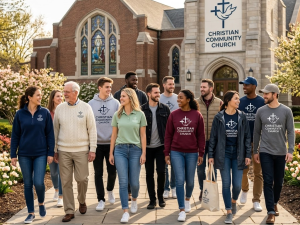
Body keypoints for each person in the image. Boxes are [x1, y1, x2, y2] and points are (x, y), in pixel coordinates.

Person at [53, 81, 97, 222]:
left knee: (82, 179)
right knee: (65, 182)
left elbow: (92, 129)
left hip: (82, 150)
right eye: (64, 91)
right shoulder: (60, 108)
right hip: (63, 150)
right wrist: (55, 150)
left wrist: (93, 149)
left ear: (75, 93)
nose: (64, 94)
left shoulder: (86, 107)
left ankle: (82, 200)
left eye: (67, 92)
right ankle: (69, 210)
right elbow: (55, 131)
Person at [10, 86, 54, 224]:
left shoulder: (45, 113)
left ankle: (41, 202)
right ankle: (30, 213)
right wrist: (13, 154)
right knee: (28, 184)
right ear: (29, 97)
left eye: (41, 95)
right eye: (38, 95)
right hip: (24, 154)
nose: (40, 97)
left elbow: (50, 135)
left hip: (41, 153)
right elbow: (15, 135)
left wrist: (50, 152)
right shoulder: (20, 114)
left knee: (39, 183)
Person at [253, 84, 294, 224]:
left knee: (279, 182)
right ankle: (270, 211)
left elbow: (291, 132)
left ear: (275, 94)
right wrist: (255, 151)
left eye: (266, 94)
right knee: (268, 180)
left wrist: (290, 151)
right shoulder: (260, 111)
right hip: (265, 151)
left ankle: (275, 202)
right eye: (263, 94)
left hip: (281, 151)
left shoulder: (286, 111)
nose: (264, 96)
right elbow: (256, 132)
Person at [208, 91, 251, 224]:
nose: (239, 101)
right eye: (236, 99)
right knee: (226, 184)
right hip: (223, 153)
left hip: (238, 154)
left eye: (238, 99)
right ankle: (228, 211)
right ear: (228, 101)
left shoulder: (242, 116)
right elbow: (213, 138)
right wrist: (211, 155)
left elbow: (247, 137)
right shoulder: (219, 117)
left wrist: (247, 154)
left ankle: (233, 201)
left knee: (237, 185)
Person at [164, 89, 205, 222]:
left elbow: (201, 136)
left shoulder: (197, 115)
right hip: (176, 151)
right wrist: (167, 152)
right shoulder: (173, 115)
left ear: (188, 99)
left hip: (192, 152)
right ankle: (182, 209)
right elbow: (168, 135)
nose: (178, 100)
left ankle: (187, 199)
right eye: (178, 98)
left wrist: (201, 152)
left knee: (190, 181)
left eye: (181, 98)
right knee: (180, 180)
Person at [109, 88, 147, 223]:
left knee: (135, 183)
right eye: (121, 96)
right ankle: (125, 210)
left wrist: (144, 153)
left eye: (123, 96)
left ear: (130, 97)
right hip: (120, 150)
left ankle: (134, 200)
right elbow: (113, 135)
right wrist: (111, 153)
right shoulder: (117, 115)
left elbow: (143, 135)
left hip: (136, 150)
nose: (121, 98)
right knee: (123, 182)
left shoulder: (140, 114)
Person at [114, 71, 147, 200]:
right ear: (126, 80)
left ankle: (133, 194)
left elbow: (142, 116)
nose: (136, 82)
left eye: (137, 80)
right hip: (121, 143)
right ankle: (126, 194)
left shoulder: (142, 95)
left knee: (134, 177)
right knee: (123, 176)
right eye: (133, 80)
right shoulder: (117, 95)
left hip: (136, 140)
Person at [88, 77, 119, 211]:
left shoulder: (116, 103)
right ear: (99, 88)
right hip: (97, 144)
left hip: (112, 143)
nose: (109, 89)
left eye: (110, 87)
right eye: (107, 87)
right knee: (98, 172)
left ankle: (110, 190)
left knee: (112, 171)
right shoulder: (91, 104)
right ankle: (100, 199)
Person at [141, 83, 170, 209]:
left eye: (159, 92)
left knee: (161, 172)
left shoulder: (165, 109)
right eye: (156, 93)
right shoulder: (141, 110)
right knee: (149, 174)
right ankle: (152, 200)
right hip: (146, 147)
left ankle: (161, 197)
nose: (158, 95)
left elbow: (169, 130)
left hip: (161, 146)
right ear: (149, 94)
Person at [238, 77, 265, 211]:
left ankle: (256, 200)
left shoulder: (262, 101)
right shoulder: (240, 102)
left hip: (258, 141)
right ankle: (244, 189)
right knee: (243, 169)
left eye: (247, 85)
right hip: (243, 141)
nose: (244, 87)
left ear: (254, 86)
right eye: (243, 85)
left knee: (258, 172)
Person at [196, 79, 222, 202]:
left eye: (204, 87)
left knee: (212, 168)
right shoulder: (195, 103)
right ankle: (203, 190)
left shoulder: (219, 103)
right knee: (200, 169)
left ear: (211, 89)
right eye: (201, 87)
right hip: (199, 142)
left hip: (214, 142)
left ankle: (211, 192)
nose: (202, 89)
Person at [160, 76, 178, 199]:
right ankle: (165, 188)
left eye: (173, 84)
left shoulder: (178, 98)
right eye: (169, 84)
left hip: (176, 136)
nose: (172, 86)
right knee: (164, 164)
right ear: (164, 85)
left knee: (175, 163)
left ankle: (174, 187)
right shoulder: (159, 98)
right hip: (162, 136)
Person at [47, 90, 64, 207]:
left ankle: (61, 197)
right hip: (50, 147)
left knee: (61, 172)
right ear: (52, 98)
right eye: (58, 96)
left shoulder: (64, 110)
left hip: (62, 145)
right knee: (53, 172)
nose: (60, 98)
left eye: (61, 96)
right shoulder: (47, 113)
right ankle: (56, 189)